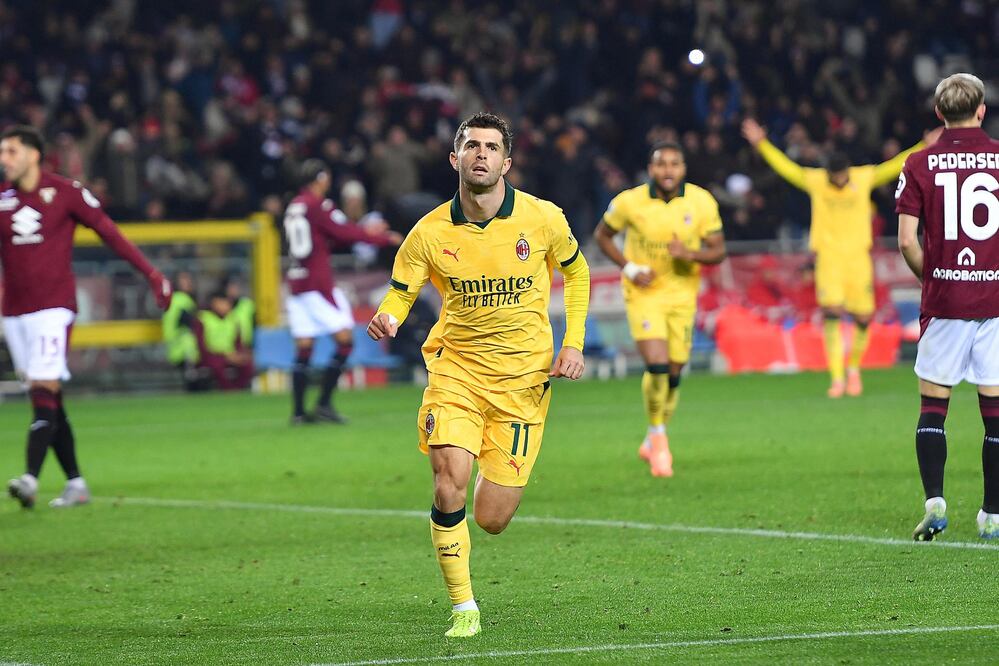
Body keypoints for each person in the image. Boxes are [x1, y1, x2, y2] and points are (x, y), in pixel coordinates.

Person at [367, 112, 589, 637]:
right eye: (471, 146)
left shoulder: (542, 219)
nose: (481, 154)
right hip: (457, 372)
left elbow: (577, 272)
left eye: (491, 147)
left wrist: (573, 342)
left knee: (491, 517)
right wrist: (389, 316)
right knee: (449, 485)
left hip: (523, 382)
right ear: (455, 158)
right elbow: (402, 288)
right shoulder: (429, 231)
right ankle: (463, 607)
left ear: (506, 162)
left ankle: (496, 467)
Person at [1, 125, 171, 509]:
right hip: (14, 312)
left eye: (11, 151)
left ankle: (29, 478)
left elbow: (110, 233)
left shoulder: (66, 193)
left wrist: (151, 273)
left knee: (44, 390)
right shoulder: (2, 199)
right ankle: (76, 483)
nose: (4, 159)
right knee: (47, 401)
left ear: (33, 153)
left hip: (53, 308)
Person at [742, 118, 934, 398]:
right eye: (836, 176)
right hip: (829, 258)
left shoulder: (862, 177)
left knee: (864, 318)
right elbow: (788, 169)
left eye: (842, 175)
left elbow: (893, 167)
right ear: (829, 173)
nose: (840, 180)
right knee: (831, 314)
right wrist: (762, 144)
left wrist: (921, 146)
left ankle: (853, 367)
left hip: (858, 258)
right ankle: (836, 377)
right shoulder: (816, 181)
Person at [895, 73, 999, 541]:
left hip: (944, 303)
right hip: (995, 302)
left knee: (934, 407)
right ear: (981, 110)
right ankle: (993, 514)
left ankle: (935, 500)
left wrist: (936, 280)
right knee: (994, 412)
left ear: (939, 113)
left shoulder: (919, 163)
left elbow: (906, 241)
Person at [593, 141, 726, 478]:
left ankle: (653, 437)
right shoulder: (629, 202)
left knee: (675, 374)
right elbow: (603, 235)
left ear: (683, 168)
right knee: (657, 366)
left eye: (674, 164)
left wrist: (691, 255)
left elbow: (719, 250)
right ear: (651, 169)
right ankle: (659, 438)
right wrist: (629, 268)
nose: (668, 170)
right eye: (661, 164)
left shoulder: (701, 201)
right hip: (645, 292)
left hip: (682, 295)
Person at [284, 159, 402, 424]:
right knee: (345, 340)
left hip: (296, 283)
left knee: (304, 347)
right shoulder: (319, 205)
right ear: (320, 178)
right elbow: (346, 232)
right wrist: (382, 238)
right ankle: (324, 403)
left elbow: (327, 235)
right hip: (317, 285)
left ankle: (299, 412)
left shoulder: (294, 206)